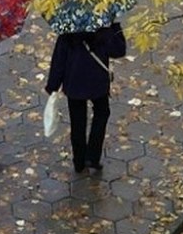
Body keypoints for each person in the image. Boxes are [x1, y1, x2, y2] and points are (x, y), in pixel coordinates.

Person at [45, 22, 126, 172]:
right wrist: (115, 27)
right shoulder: (103, 29)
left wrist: (53, 85)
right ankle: (93, 156)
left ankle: (79, 161)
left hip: (74, 84)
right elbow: (119, 50)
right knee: (102, 113)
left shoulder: (67, 32)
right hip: (98, 83)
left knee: (77, 122)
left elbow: (58, 61)